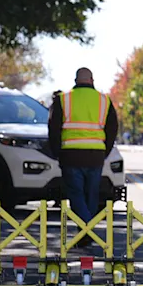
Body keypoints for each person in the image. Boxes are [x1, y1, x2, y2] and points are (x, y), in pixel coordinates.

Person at [48, 67, 118, 249]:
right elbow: (112, 129)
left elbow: (53, 128)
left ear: (75, 80)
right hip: (95, 155)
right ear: (92, 80)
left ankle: (87, 230)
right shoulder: (104, 101)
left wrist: (57, 152)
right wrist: (105, 150)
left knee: (76, 195)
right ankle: (86, 232)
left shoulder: (63, 100)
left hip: (71, 154)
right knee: (91, 195)